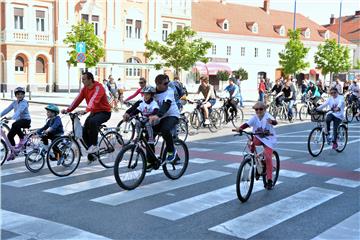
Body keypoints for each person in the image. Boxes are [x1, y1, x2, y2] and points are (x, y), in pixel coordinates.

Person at [124, 74, 180, 169]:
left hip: (172, 115)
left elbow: (166, 105)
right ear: (158, 84)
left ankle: (172, 151)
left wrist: (157, 115)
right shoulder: (152, 92)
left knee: (165, 130)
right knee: (149, 137)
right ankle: (151, 161)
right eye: (165, 83)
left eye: (168, 82)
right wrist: (128, 113)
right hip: (158, 117)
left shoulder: (169, 91)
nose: (167, 85)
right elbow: (139, 103)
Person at [61, 72, 111, 160]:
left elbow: (94, 100)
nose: (82, 81)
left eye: (84, 79)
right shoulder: (85, 89)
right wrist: (68, 110)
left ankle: (94, 146)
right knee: (84, 132)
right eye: (82, 79)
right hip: (94, 112)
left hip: (104, 112)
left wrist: (86, 110)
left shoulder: (99, 87)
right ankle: (93, 152)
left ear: (90, 79)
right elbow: (77, 99)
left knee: (92, 122)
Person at [233, 101, 278, 190]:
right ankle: (257, 160)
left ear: (265, 110)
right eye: (256, 109)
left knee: (268, 157)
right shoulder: (254, 118)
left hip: (269, 139)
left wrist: (272, 122)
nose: (258, 111)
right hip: (258, 137)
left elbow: (275, 122)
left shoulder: (268, 116)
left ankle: (269, 180)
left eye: (261, 109)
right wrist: (240, 128)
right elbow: (247, 124)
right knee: (250, 141)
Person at [0, 87, 31, 160]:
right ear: (15, 95)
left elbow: (19, 111)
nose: (20, 95)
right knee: (10, 135)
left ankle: (22, 138)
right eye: (18, 94)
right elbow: (7, 109)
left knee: (14, 124)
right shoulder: (14, 102)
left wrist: (12, 118)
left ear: (24, 95)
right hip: (18, 122)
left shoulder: (24, 103)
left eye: (21, 94)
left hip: (26, 120)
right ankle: (13, 152)